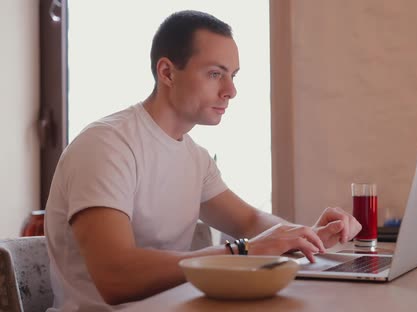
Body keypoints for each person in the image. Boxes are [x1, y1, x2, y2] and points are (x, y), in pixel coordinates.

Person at [44, 10, 361, 312]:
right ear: (167, 72)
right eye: (215, 74)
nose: (231, 91)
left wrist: (306, 234)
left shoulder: (195, 158)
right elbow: (116, 277)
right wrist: (244, 251)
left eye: (233, 76)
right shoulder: (107, 145)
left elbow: (249, 222)